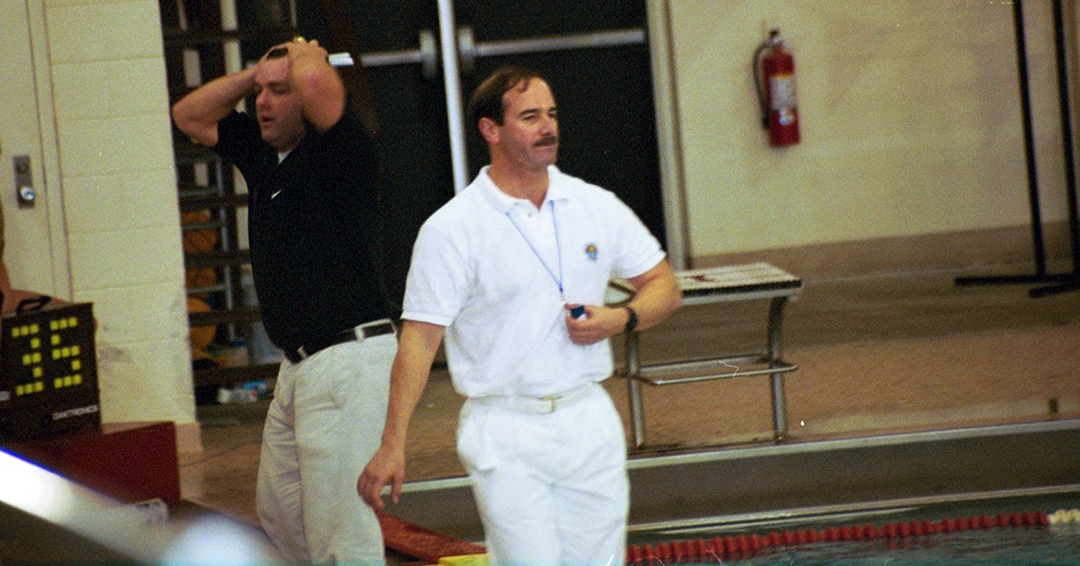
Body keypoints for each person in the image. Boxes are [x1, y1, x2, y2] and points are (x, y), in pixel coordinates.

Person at [357, 66, 682, 564]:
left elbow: (664, 285)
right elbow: (419, 341)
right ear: (491, 129)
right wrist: (392, 444)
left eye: (551, 114)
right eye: (530, 117)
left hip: (588, 418)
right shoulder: (452, 229)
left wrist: (621, 318)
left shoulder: (596, 205)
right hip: (504, 428)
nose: (547, 127)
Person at [172, 37, 396, 563]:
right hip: (297, 368)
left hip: (348, 362)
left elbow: (318, 80)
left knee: (344, 535)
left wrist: (302, 52)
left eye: (279, 92)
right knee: (282, 514)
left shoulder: (341, 151)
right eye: (259, 93)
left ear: (307, 100)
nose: (263, 103)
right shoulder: (265, 155)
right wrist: (257, 74)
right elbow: (189, 115)